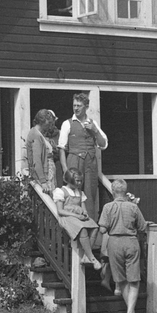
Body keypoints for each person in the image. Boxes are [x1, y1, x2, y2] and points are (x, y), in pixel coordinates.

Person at [98, 178, 148, 313]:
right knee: (134, 279)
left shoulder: (107, 207)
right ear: (125, 191)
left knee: (121, 280)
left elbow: (102, 229)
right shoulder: (133, 207)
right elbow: (142, 227)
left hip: (114, 243)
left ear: (113, 191)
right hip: (131, 242)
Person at [59, 92, 107, 220]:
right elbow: (62, 149)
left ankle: (90, 223)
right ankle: (75, 223)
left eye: (79, 105)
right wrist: (65, 170)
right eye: (74, 105)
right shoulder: (67, 123)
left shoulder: (93, 123)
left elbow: (103, 145)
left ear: (86, 106)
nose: (76, 108)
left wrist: (95, 131)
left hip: (90, 163)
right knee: (74, 192)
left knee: (90, 194)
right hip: (74, 161)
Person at [53, 167, 104, 272]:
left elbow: (83, 208)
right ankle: (92, 258)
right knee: (83, 229)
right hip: (67, 217)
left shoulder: (80, 193)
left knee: (94, 227)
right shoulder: (61, 191)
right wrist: (77, 216)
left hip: (78, 217)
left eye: (80, 180)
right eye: (77, 180)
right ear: (70, 179)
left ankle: (86, 255)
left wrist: (85, 214)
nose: (79, 183)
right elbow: (60, 211)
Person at [25, 109, 59, 193]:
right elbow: (37, 160)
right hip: (44, 175)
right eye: (49, 122)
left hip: (47, 174)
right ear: (44, 121)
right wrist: (43, 181)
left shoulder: (39, 134)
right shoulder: (36, 135)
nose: (50, 125)